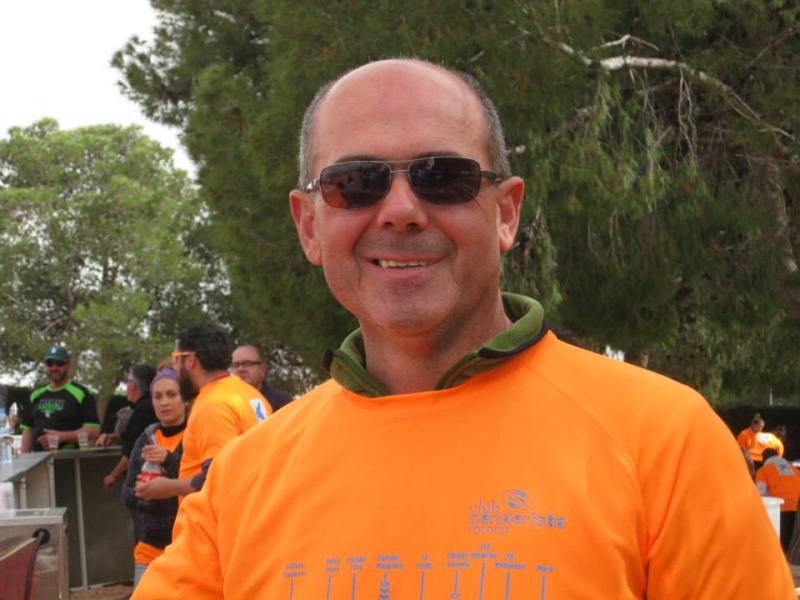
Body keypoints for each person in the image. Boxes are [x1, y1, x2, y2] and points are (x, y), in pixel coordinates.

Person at [133, 59, 795, 598]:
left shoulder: (666, 441)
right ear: (309, 225)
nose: (400, 210)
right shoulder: (243, 480)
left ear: (506, 213)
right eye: (355, 182)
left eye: (443, 177)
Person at [134, 323, 269, 503]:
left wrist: (168, 487)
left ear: (191, 360)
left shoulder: (213, 405)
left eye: (176, 359)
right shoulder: (251, 394)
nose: (175, 368)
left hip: (220, 517)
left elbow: (218, 478)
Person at [121, 366, 188, 589]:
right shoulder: (146, 438)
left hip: (187, 546)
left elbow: (202, 483)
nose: (164, 402)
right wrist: (145, 494)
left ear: (185, 400)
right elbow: (127, 495)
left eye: (171, 394)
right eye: (157, 396)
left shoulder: (195, 434)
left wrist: (169, 461)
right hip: (149, 546)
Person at [20, 345, 100, 452]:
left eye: (59, 363)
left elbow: (93, 431)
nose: (54, 368)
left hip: (69, 458)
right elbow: (27, 430)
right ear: (45, 367)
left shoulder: (81, 393)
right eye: (50, 363)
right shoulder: (35, 394)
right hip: (38, 458)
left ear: (68, 366)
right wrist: (24, 458)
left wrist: (63, 437)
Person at [98, 364, 159, 493]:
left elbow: (133, 448)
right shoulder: (144, 406)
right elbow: (131, 435)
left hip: (145, 475)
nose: (126, 386)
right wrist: (111, 437)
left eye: (127, 381)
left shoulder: (144, 409)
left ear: (134, 385)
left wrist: (113, 475)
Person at [756, 448, 800, 552]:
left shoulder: (763, 471)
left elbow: (760, 493)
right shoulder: (795, 469)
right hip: (797, 507)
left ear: (764, 459)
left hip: (781, 508)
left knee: (782, 543)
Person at [231, 345, 292, 412]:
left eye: (247, 363)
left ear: (262, 369)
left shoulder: (280, 401)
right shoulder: (226, 399)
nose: (240, 369)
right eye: (236, 365)